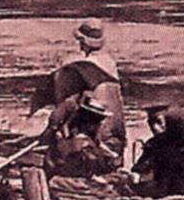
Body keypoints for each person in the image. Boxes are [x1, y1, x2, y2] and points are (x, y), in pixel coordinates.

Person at [32, 20, 126, 176]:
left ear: (82, 41)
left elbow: (63, 109)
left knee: (56, 151)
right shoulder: (110, 64)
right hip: (117, 145)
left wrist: (50, 131)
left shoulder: (78, 66)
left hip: (92, 148)